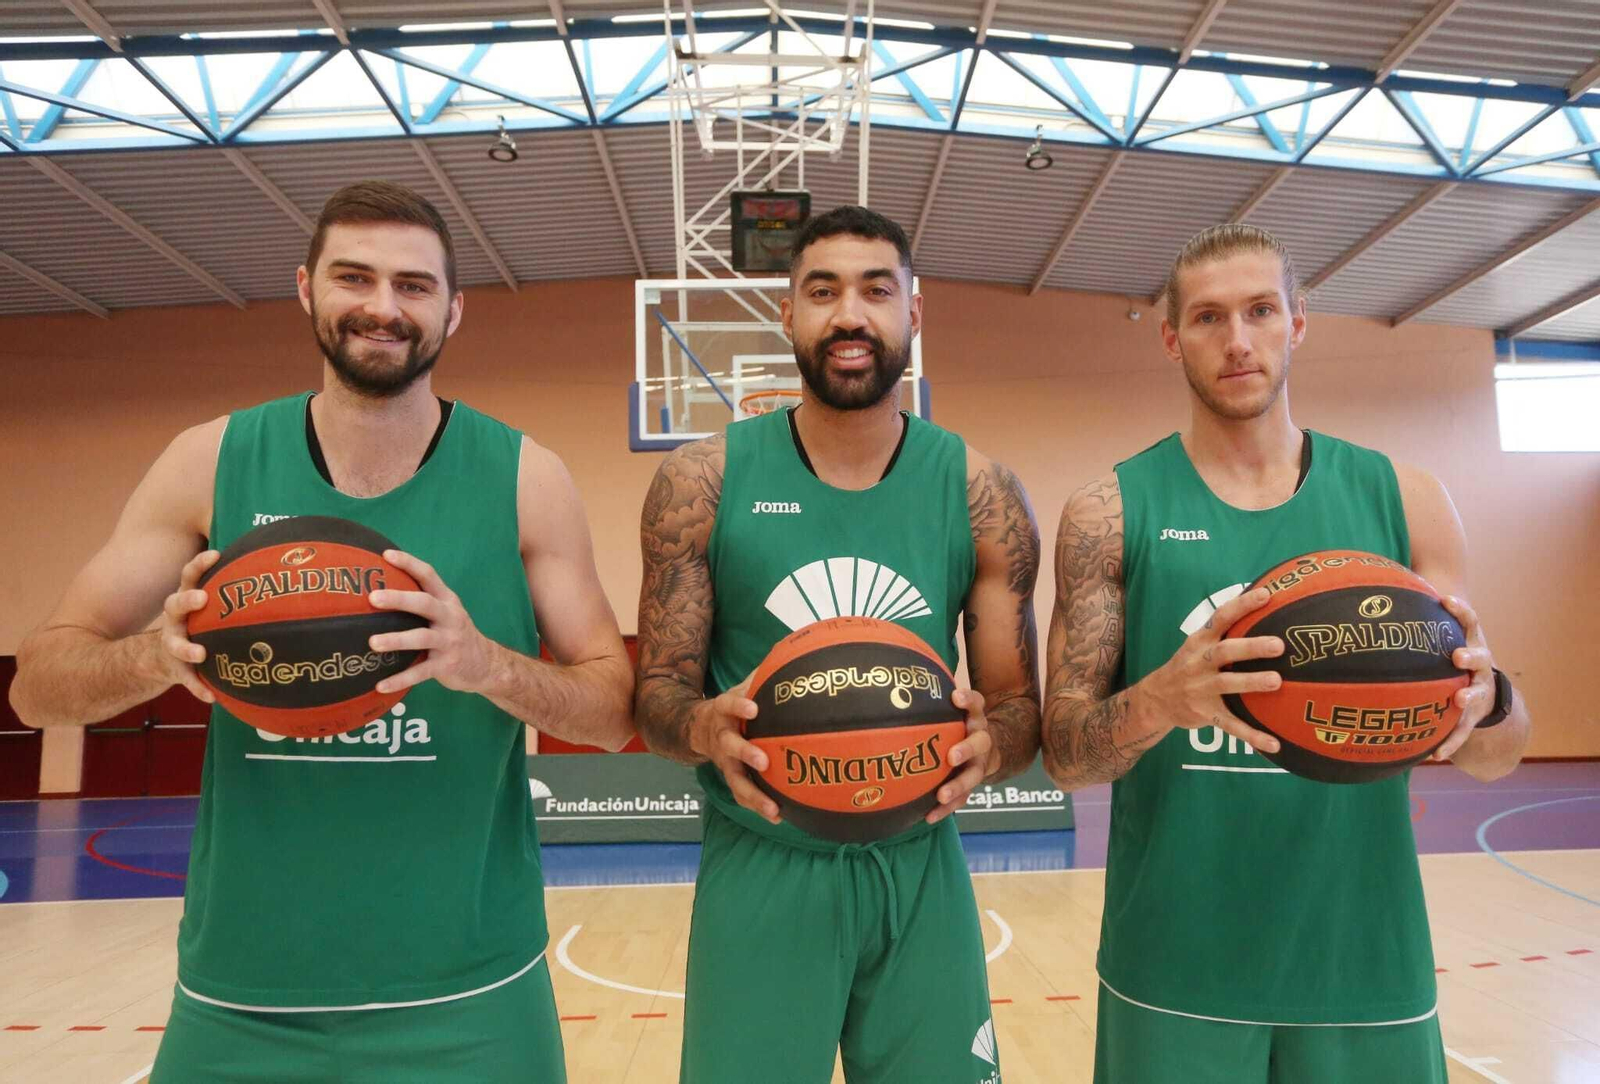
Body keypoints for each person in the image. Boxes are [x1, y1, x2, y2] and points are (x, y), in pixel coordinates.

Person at [9, 180, 635, 1083]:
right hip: (242, 993)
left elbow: (609, 707)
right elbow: (36, 684)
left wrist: (482, 662)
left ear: (453, 311)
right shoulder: (208, 461)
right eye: (355, 278)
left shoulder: (526, 477)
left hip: (472, 991)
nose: (383, 307)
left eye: (414, 286)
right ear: (306, 287)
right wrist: (158, 654)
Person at [1041, 223, 1532, 1083]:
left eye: (1261, 311)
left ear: (1297, 322)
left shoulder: (1406, 498)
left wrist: (1484, 704)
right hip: (1175, 965)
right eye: (1207, 318)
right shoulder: (1108, 513)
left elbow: (1498, 754)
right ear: (1170, 337)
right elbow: (1067, 757)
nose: (1237, 341)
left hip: (1366, 959)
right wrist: (1163, 699)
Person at [633, 205, 1042, 1083]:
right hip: (764, 858)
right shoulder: (701, 481)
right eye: (822, 291)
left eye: (875, 290)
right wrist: (704, 726)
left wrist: (989, 743)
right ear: (787, 314)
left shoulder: (981, 492)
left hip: (919, 859)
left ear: (913, 314)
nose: (849, 315)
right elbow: (657, 697)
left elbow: (1016, 709)